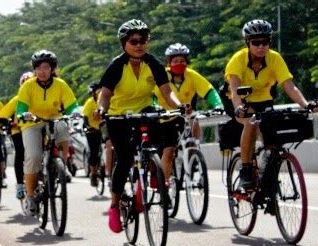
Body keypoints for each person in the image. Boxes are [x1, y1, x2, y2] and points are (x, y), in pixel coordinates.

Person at [95, 19, 182, 233]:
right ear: (124, 43)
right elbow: (105, 94)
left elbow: (166, 91)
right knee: (124, 159)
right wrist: (101, 109)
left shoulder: (153, 63)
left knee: (158, 145)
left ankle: (153, 175)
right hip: (118, 116)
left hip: (144, 110)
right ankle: (115, 205)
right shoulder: (117, 66)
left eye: (143, 40)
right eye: (133, 41)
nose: (139, 45)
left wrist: (181, 106)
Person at [225, 19, 318, 191]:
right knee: (251, 122)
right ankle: (246, 169)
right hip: (238, 99)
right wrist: (239, 108)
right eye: (256, 42)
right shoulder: (237, 60)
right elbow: (234, 89)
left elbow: (289, 86)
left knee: (273, 137)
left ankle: (267, 177)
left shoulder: (274, 58)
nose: (261, 46)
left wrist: (305, 105)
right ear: (248, 43)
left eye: (265, 42)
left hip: (264, 99)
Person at [17, 50, 79, 216]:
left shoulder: (60, 84)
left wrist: (74, 112)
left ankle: (62, 165)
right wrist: (23, 114)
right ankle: (30, 196)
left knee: (63, 127)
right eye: (38, 68)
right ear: (34, 70)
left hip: (54, 119)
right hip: (32, 122)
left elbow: (72, 105)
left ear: (52, 69)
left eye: (46, 67)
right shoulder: (28, 86)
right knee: (34, 156)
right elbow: (21, 108)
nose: (42, 71)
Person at [154, 42, 223, 181]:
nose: (179, 63)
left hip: (185, 115)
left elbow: (208, 90)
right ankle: (165, 187)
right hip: (165, 118)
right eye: (175, 61)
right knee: (168, 152)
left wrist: (218, 104)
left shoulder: (192, 75)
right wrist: (156, 107)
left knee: (194, 119)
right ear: (169, 62)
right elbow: (153, 96)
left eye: (182, 61)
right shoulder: (162, 76)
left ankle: (193, 149)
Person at [0, 71, 33, 199]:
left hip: (36, 128)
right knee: (20, 153)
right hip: (19, 130)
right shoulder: (17, 99)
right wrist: (8, 124)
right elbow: (2, 115)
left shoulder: (39, 96)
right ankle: (19, 185)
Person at [82, 82, 104, 187]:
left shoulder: (105, 101)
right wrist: (88, 127)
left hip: (103, 128)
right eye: (98, 90)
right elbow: (85, 118)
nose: (100, 92)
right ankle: (93, 173)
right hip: (92, 129)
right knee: (94, 152)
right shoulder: (89, 103)